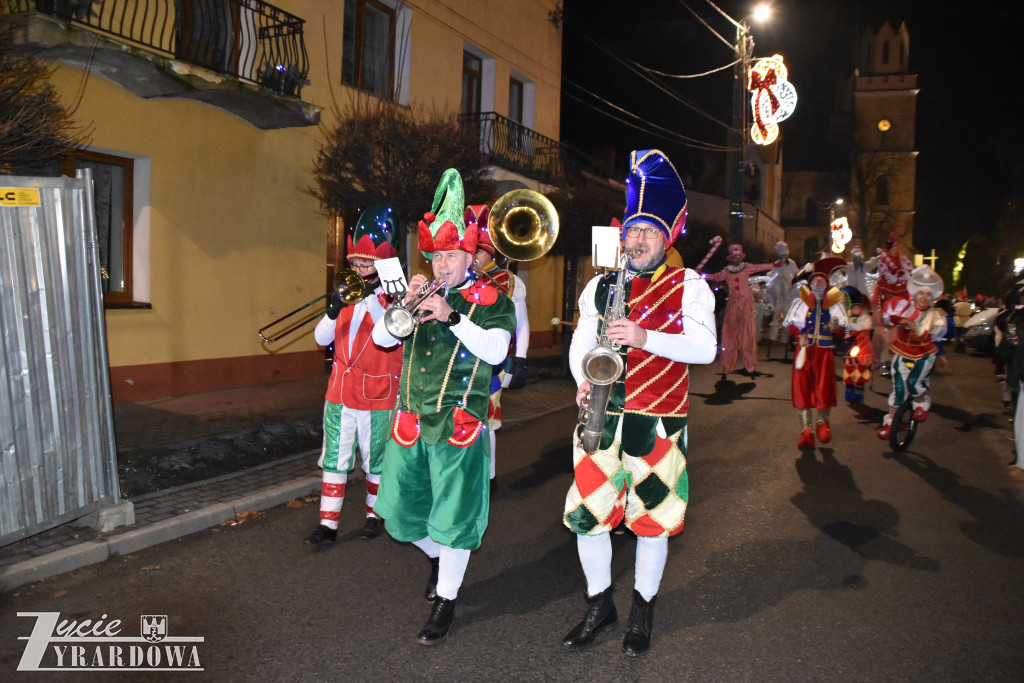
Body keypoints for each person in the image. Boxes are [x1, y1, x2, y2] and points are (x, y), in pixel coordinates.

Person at [562, 149, 717, 657]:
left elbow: (705, 349)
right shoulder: (602, 283)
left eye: (651, 231)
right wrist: (580, 378)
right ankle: (599, 603)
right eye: (634, 230)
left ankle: (641, 612)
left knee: (652, 520)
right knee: (589, 513)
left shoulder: (689, 285)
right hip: (601, 415)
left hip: (658, 421)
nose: (640, 240)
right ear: (623, 235)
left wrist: (644, 335)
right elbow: (580, 343)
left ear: (668, 236)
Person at [371, 169, 516, 646]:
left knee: (453, 515)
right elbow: (380, 338)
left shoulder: (494, 300)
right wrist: (407, 305)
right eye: (435, 257)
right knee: (396, 512)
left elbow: (496, 352)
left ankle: (446, 601)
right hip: (410, 420)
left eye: (450, 256)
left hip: (459, 423)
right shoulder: (419, 294)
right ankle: (437, 558)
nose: (441, 266)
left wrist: (452, 316)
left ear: (469, 256)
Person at [304, 204, 403, 547]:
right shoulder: (346, 294)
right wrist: (333, 309)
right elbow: (320, 339)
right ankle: (327, 525)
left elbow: (387, 334)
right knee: (334, 458)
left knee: (375, 458)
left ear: (381, 265)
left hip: (378, 395)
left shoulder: (396, 299)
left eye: (366, 264)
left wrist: (374, 298)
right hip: (340, 393)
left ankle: (374, 515)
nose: (358, 269)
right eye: (355, 263)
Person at [468, 204, 530, 479]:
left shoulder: (510, 281)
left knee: (488, 420)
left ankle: (489, 477)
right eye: (470, 251)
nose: (472, 257)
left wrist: (520, 361)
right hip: (462, 359)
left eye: (478, 251)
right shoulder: (461, 278)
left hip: (493, 362)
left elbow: (522, 323)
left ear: (489, 252)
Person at [783, 257, 849, 449]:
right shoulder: (800, 302)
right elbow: (793, 325)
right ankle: (806, 431)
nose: (818, 282)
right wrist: (799, 336)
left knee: (824, 389)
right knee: (802, 389)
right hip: (804, 352)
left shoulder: (835, 304)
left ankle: (822, 423)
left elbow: (841, 332)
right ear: (810, 283)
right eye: (815, 280)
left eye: (822, 280)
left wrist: (835, 328)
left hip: (824, 354)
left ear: (827, 284)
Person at [876, 266, 947, 439]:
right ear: (915, 294)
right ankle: (892, 420)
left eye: (928, 294)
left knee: (914, 383)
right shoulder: (904, 307)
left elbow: (938, 337)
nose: (924, 297)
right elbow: (889, 318)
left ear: (931, 297)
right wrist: (903, 320)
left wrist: (942, 355)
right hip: (902, 350)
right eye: (921, 293)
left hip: (924, 354)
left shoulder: (936, 315)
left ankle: (921, 403)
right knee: (899, 388)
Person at [705, 244, 774, 376]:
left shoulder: (746, 267)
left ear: (740, 257)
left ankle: (750, 364)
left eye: (738, 256)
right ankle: (727, 365)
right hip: (733, 305)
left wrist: (774, 265)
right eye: (734, 257)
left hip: (746, 304)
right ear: (730, 258)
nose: (736, 259)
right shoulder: (726, 271)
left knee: (748, 334)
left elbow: (760, 267)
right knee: (730, 335)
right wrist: (702, 275)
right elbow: (716, 277)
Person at [871, 232, 913, 375]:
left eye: (896, 248)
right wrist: (878, 307)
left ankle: (901, 360)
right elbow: (878, 296)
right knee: (884, 334)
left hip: (900, 311)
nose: (895, 250)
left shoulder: (903, 265)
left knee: (900, 333)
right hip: (887, 312)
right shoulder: (884, 279)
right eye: (892, 248)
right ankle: (885, 361)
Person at [841, 286, 873, 404]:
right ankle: (849, 390)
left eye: (858, 307)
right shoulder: (849, 319)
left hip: (863, 349)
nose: (855, 310)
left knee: (861, 371)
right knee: (849, 370)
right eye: (853, 307)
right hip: (850, 349)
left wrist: (850, 324)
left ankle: (859, 392)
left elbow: (861, 327)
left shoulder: (866, 319)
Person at [766, 241, 800, 348]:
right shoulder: (776, 265)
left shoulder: (792, 264)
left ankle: (786, 338)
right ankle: (773, 337)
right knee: (776, 315)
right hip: (778, 296)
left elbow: (796, 277)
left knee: (787, 316)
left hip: (788, 295)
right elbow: (771, 278)